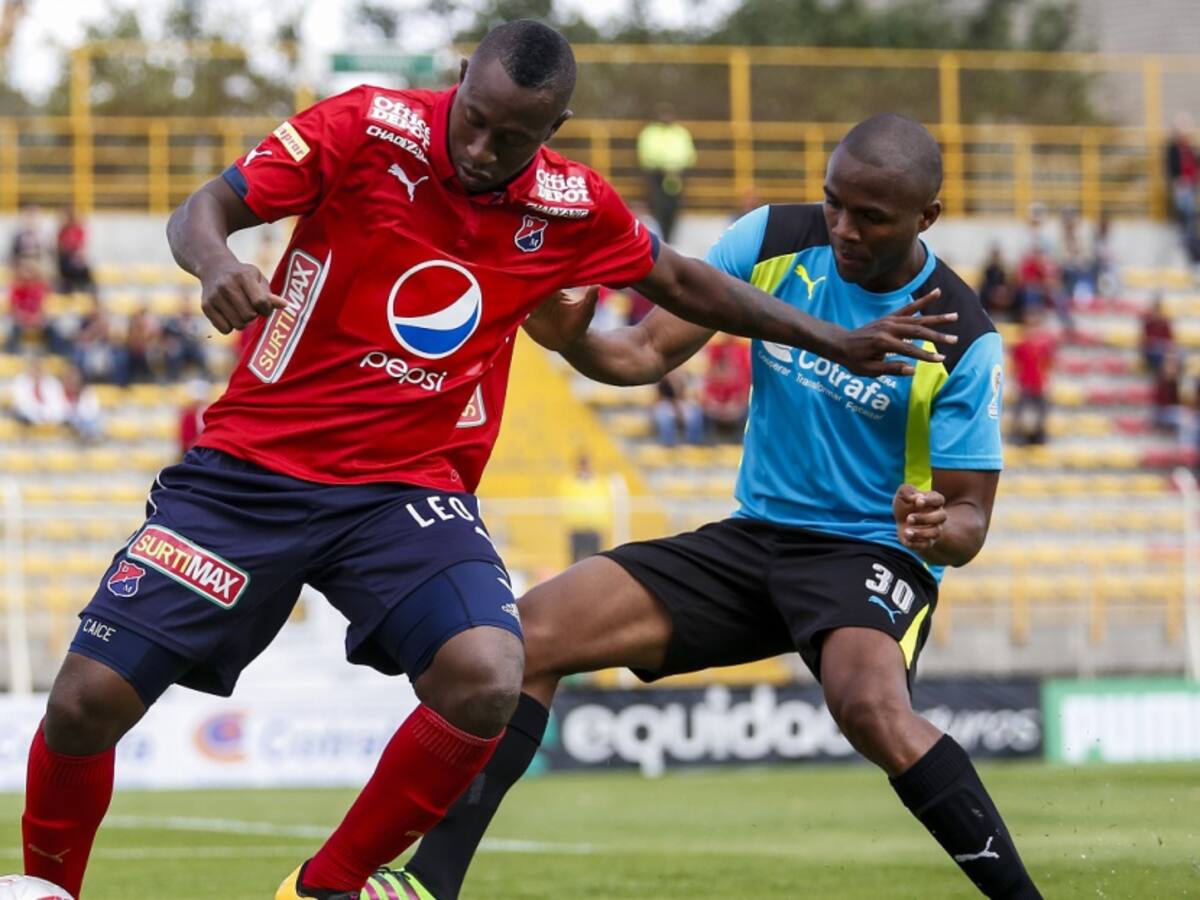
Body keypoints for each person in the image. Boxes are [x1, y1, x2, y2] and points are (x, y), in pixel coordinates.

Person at [18, 23, 952, 900]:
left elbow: (679, 281)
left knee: (487, 671)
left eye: (513, 139)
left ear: (554, 130)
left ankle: (325, 889)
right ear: (458, 76)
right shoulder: (364, 126)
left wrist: (832, 339)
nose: (481, 152)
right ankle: (50, 890)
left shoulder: (570, 203)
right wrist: (215, 261)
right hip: (251, 470)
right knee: (84, 704)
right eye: (475, 122)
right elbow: (207, 206)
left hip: (405, 493)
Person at [403, 114, 1042, 900]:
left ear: (926, 219)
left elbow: (970, 520)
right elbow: (640, 353)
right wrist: (570, 340)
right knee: (522, 640)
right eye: (833, 202)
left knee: (870, 708)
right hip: (754, 538)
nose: (841, 227)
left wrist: (939, 527)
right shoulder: (772, 239)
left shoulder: (961, 334)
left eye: (870, 216)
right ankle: (426, 888)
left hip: (869, 555)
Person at [637, 103, 696, 245]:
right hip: (656, 174)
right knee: (658, 206)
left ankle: (669, 239)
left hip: (676, 175)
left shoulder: (680, 132)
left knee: (673, 207)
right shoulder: (650, 132)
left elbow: (689, 153)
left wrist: (678, 168)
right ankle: (661, 238)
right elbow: (646, 153)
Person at [1010, 305, 1056, 446]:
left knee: (1041, 412)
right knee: (1022, 412)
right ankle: (1020, 436)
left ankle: (1038, 436)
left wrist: (1047, 381)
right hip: (1025, 382)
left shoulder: (1044, 343)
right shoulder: (1022, 343)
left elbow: (1048, 363)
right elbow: (1016, 364)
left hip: (1038, 382)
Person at [558, 451, 611, 563]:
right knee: (575, 562)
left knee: (595, 562)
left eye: (586, 463)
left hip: (594, 528)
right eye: (582, 463)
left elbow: (604, 503)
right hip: (577, 528)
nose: (585, 466)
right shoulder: (569, 482)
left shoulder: (600, 482)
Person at [1165, 113, 1198, 261]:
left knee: (1191, 212)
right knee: (1184, 210)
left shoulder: (1189, 146)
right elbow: (1170, 166)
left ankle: (1190, 238)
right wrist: (1176, 180)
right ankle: (1183, 238)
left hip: (1191, 183)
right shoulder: (1172, 148)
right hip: (1181, 183)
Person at [10, 353, 67, 427]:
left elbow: (59, 406)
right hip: (27, 422)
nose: (37, 369)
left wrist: (45, 416)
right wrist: (39, 416)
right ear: (28, 367)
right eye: (34, 366)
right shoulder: (19, 382)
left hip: (50, 422)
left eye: (39, 366)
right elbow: (21, 405)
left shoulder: (53, 383)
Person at [56, 207, 96, 295]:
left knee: (82, 268)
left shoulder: (77, 230)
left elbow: (80, 247)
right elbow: (61, 248)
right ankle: (69, 287)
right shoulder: (63, 231)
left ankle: (84, 290)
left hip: (74, 261)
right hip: (66, 261)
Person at [1141, 294, 1174, 376]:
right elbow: (1145, 340)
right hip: (1152, 351)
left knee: (1174, 356)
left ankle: (1166, 375)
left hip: (1163, 350)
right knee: (1159, 353)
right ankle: (1162, 375)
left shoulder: (1165, 323)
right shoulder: (1148, 323)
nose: (1157, 313)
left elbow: (1170, 339)